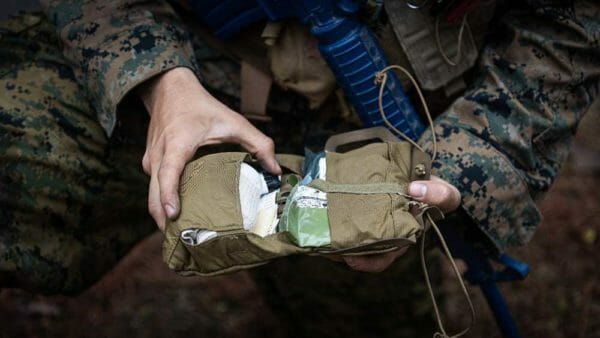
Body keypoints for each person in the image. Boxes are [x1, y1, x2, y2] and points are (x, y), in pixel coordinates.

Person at [0, 0, 598, 336]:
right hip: (182, 79)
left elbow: (564, 35)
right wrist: (157, 80)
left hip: (372, 146)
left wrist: (457, 171)